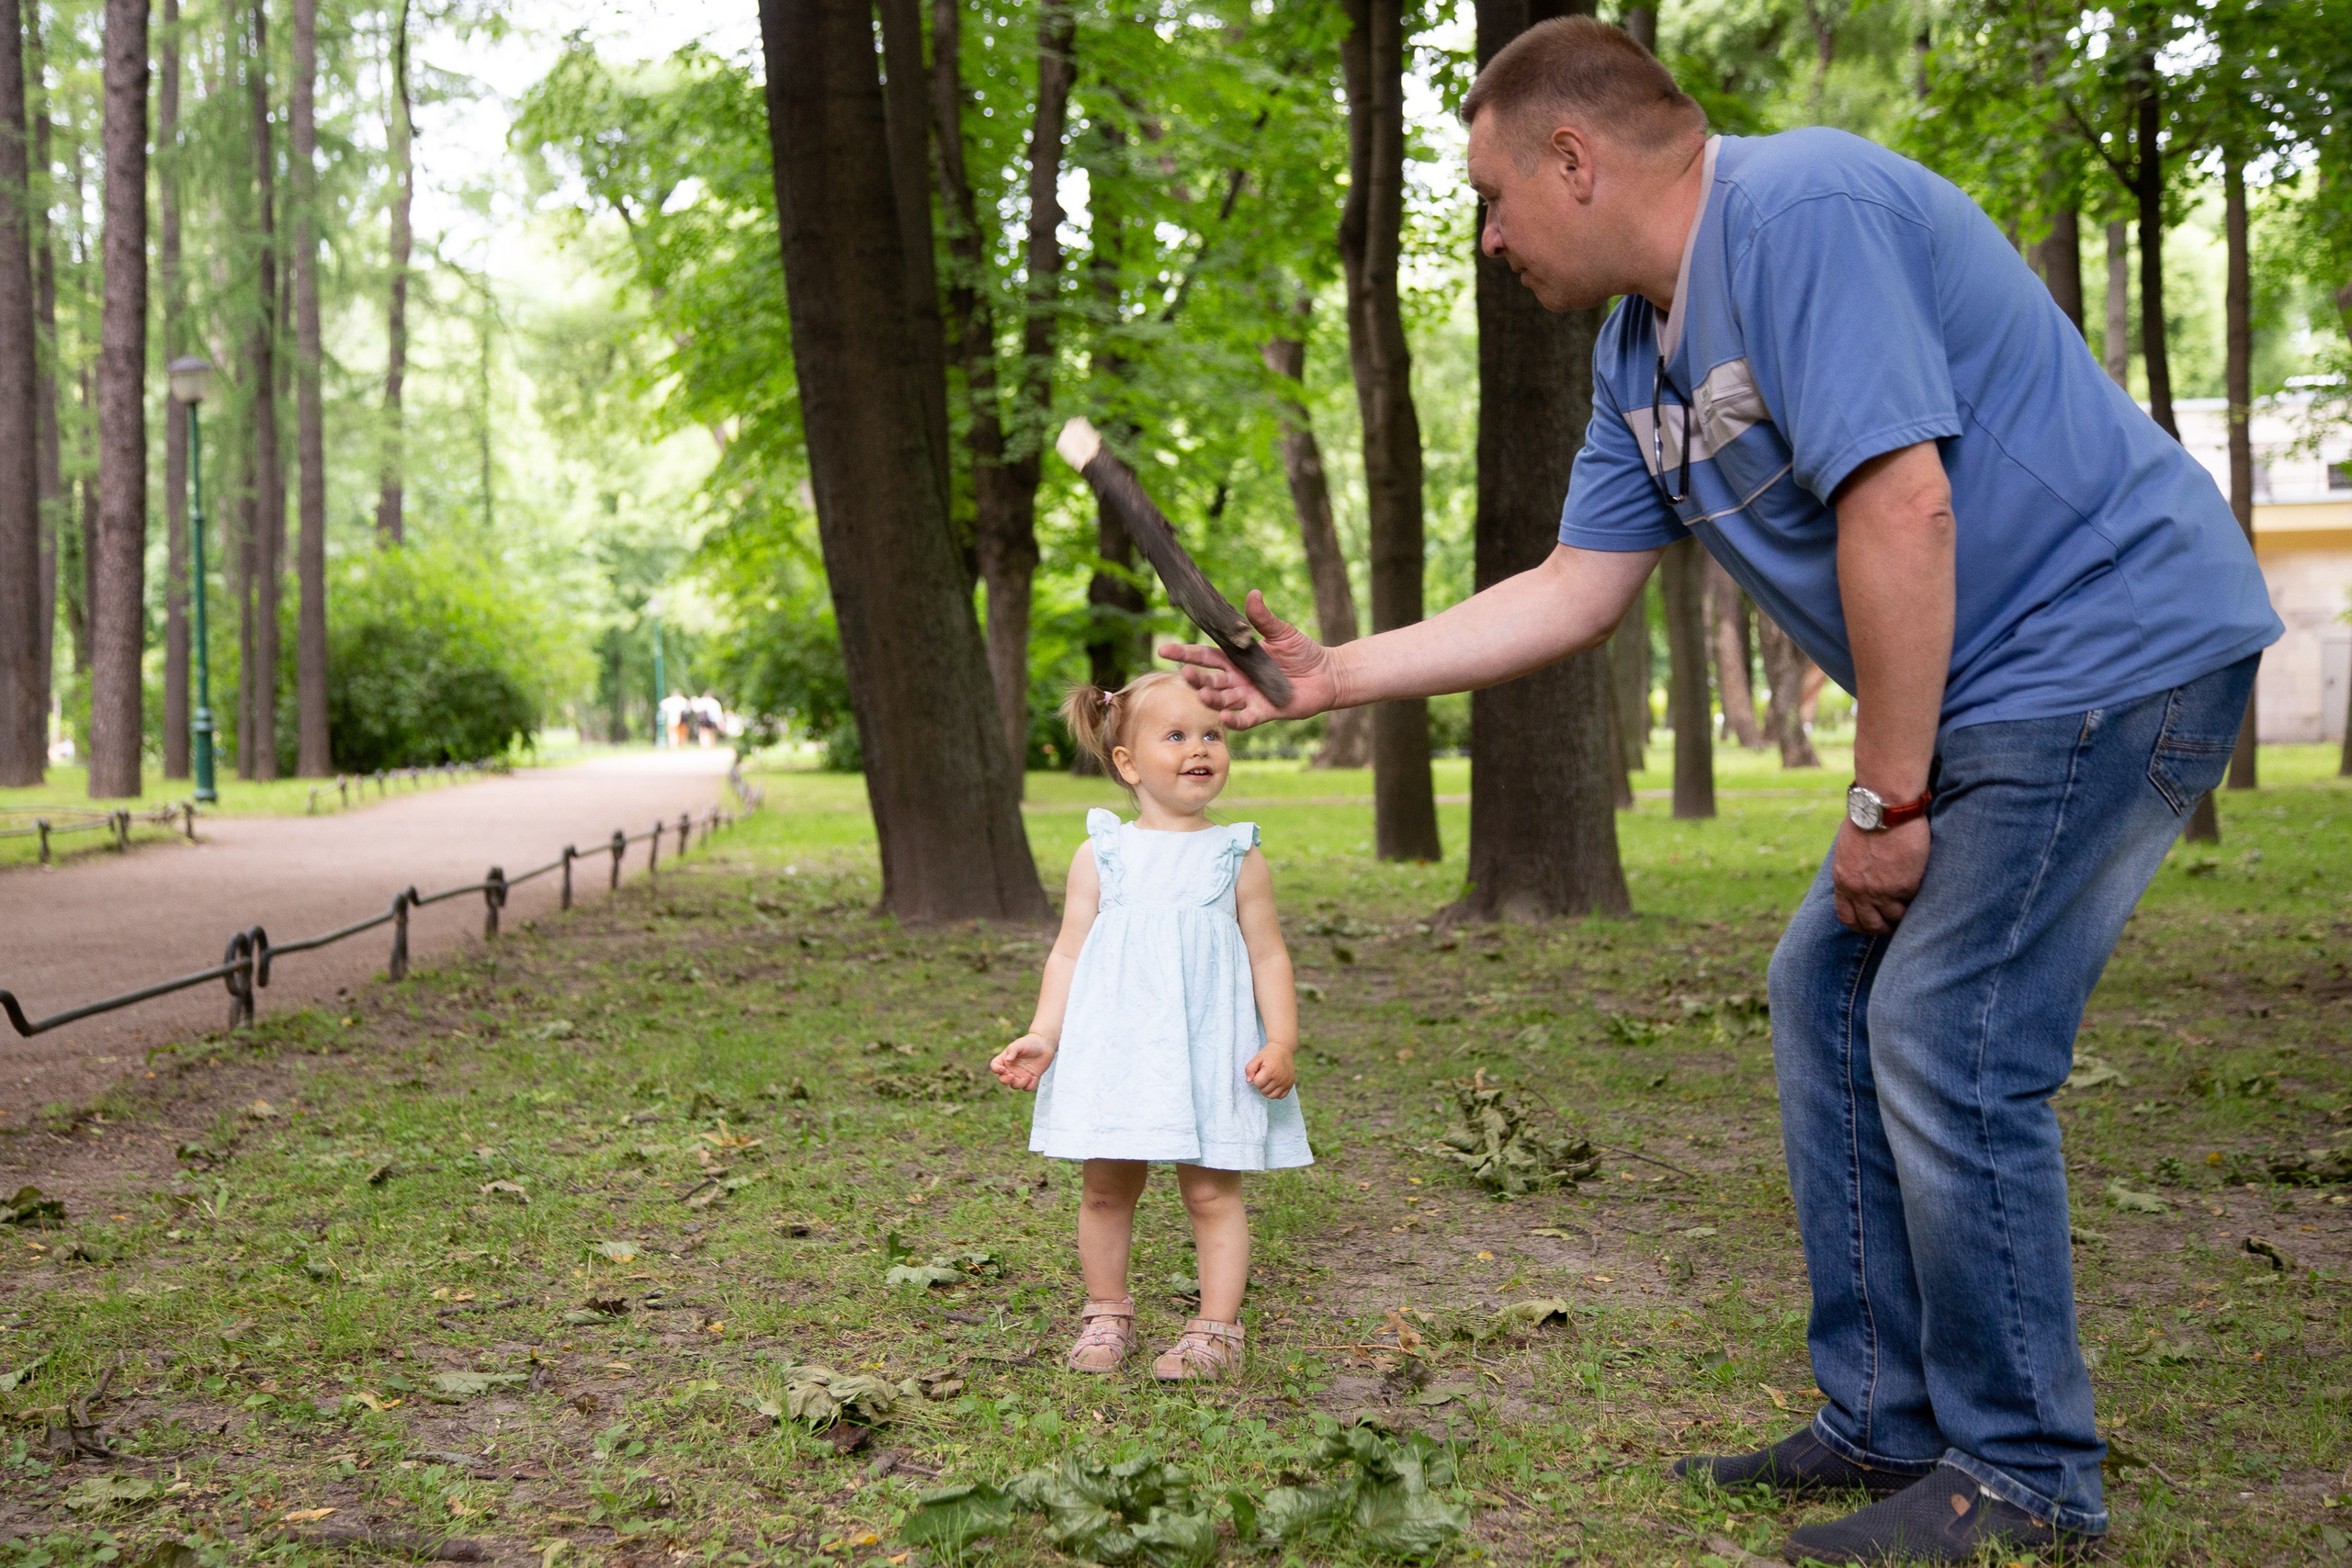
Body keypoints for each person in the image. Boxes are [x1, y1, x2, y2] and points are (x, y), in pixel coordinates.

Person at [1164, 17, 2279, 1562]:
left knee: (1949, 1025)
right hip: (2003, 683)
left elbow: (1907, 507)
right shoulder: (1643, 353)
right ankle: (1887, 1414)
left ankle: (2027, 1477)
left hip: (2111, 648)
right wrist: (1331, 673)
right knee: (1826, 987)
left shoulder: (1800, 215)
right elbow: (1573, 585)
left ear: (1577, 158)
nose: (1489, 238)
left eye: (1493, 199)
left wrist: (1886, 802)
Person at [989, 671, 1312, 1382]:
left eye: (1212, 735)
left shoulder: (1236, 854)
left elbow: (1269, 953)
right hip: (1118, 1050)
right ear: (1127, 762)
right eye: (1177, 735)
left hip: (1210, 1050)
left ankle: (1216, 1329)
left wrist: (1281, 1039)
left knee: (1210, 1191)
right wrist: (1046, 1034)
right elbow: (1069, 951)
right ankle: (1107, 1311)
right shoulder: (1102, 853)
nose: (1200, 749)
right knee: (1106, 1187)